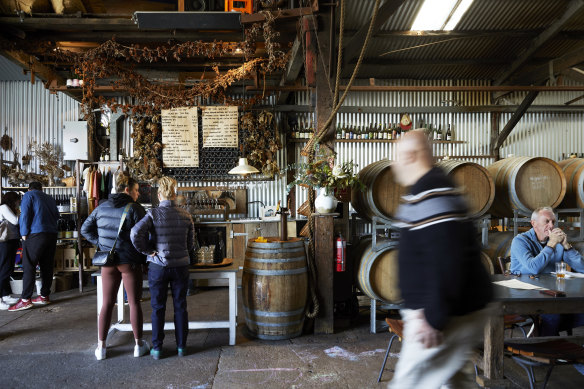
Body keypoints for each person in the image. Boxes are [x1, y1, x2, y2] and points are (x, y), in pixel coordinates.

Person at [389, 130, 493, 388]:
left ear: (412, 156)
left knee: (409, 383)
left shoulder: (433, 193)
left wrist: (433, 318)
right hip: (450, 310)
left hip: (441, 315)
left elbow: (448, 259)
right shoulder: (429, 189)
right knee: (453, 382)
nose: (393, 164)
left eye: (397, 156)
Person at [81, 173, 150, 360]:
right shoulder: (135, 209)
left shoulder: (101, 207)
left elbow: (84, 229)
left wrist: (102, 244)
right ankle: (138, 345)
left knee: (107, 303)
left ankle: (101, 348)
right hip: (129, 262)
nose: (138, 194)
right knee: (134, 302)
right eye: (136, 190)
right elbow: (145, 235)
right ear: (127, 190)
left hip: (108, 262)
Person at [131, 176, 195, 360]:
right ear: (175, 195)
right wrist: (181, 253)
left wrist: (148, 251)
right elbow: (190, 245)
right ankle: (182, 347)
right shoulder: (186, 215)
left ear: (159, 195)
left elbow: (135, 233)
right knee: (180, 306)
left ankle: (157, 349)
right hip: (180, 267)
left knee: (158, 307)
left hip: (158, 266)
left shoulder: (152, 214)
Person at [510, 206, 584, 336]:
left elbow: (582, 268)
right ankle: (547, 346)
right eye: (547, 221)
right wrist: (551, 245)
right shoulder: (520, 241)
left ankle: (543, 333)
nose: (551, 226)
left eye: (553, 222)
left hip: (551, 292)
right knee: (553, 314)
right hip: (524, 292)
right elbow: (533, 268)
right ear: (533, 223)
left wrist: (567, 246)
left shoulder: (558, 243)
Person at [9, 182, 59, 311]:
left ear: (29, 188)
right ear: (41, 189)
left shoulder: (28, 195)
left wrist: (24, 233)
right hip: (52, 234)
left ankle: (25, 300)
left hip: (36, 234)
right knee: (47, 265)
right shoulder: (50, 198)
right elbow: (57, 216)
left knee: (29, 265)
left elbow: (25, 215)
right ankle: (44, 296)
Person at [0, 192, 21, 309]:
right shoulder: (4, 207)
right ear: (11, 200)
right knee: (3, 270)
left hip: (11, 241)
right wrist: (20, 212)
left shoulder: (9, 208)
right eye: (17, 201)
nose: (18, 203)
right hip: (4, 243)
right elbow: (15, 221)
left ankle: (6, 294)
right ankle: (0, 299)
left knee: (8, 269)